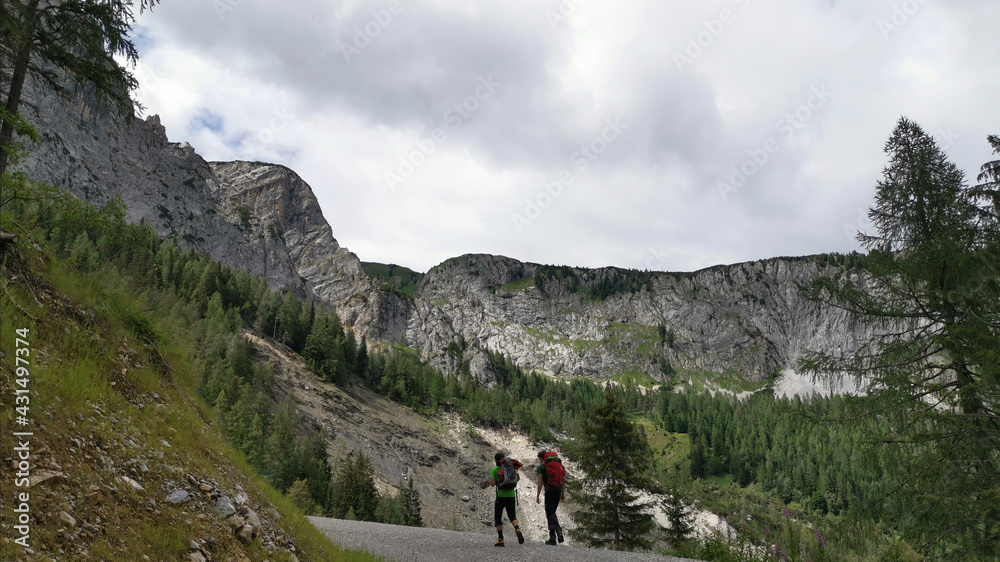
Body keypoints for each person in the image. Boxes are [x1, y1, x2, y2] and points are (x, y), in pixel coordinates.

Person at [489, 451, 524, 546]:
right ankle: (517, 528)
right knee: (512, 515)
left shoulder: (495, 469)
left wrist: (497, 480)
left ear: (496, 460)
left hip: (501, 496)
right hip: (511, 495)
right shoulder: (511, 468)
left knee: (498, 517)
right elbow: (518, 479)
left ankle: (501, 539)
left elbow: (492, 484)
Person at [536, 450, 565, 545]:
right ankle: (552, 538)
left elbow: (540, 482)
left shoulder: (541, 467)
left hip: (549, 491)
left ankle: (558, 531)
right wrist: (563, 494)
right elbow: (562, 479)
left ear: (541, 458)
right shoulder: (557, 465)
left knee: (550, 512)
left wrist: (538, 495)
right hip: (558, 490)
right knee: (552, 513)